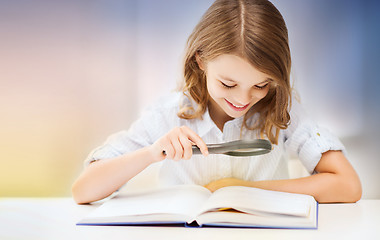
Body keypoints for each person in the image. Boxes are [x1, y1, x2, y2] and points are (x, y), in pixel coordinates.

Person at [72, 0, 362, 204]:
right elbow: (83, 190)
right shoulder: (169, 114)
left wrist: (245, 190)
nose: (242, 98)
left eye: (260, 85)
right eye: (228, 84)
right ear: (200, 60)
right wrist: (150, 153)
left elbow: (348, 185)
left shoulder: (282, 112)